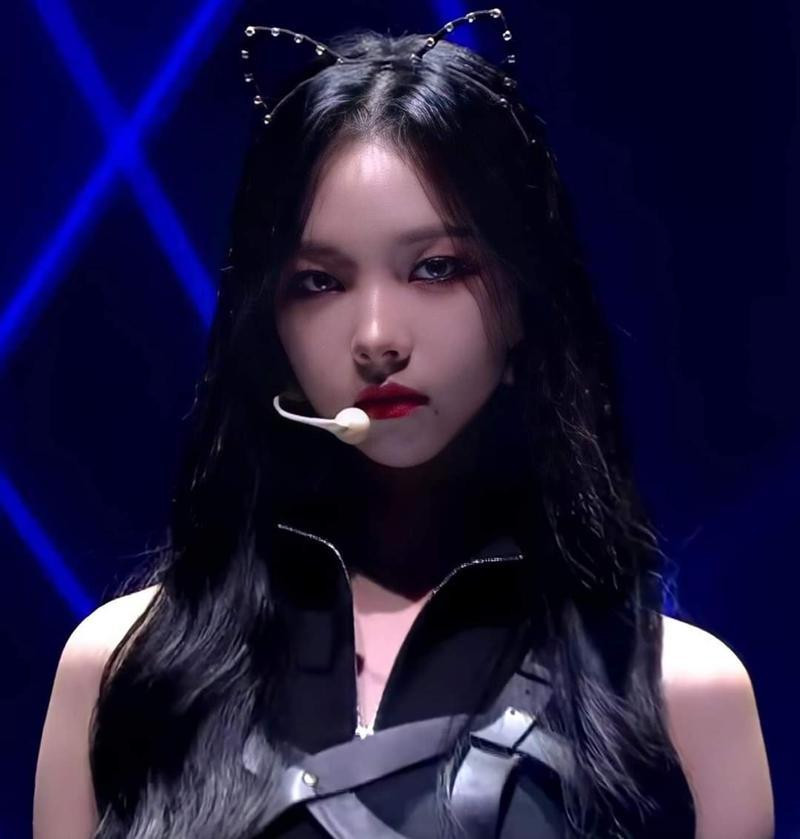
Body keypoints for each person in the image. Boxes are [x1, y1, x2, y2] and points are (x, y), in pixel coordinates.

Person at [33, 11, 773, 839]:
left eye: (436, 268)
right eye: (319, 281)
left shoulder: (684, 696)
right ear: (266, 324)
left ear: (524, 301)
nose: (378, 336)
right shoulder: (122, 675)